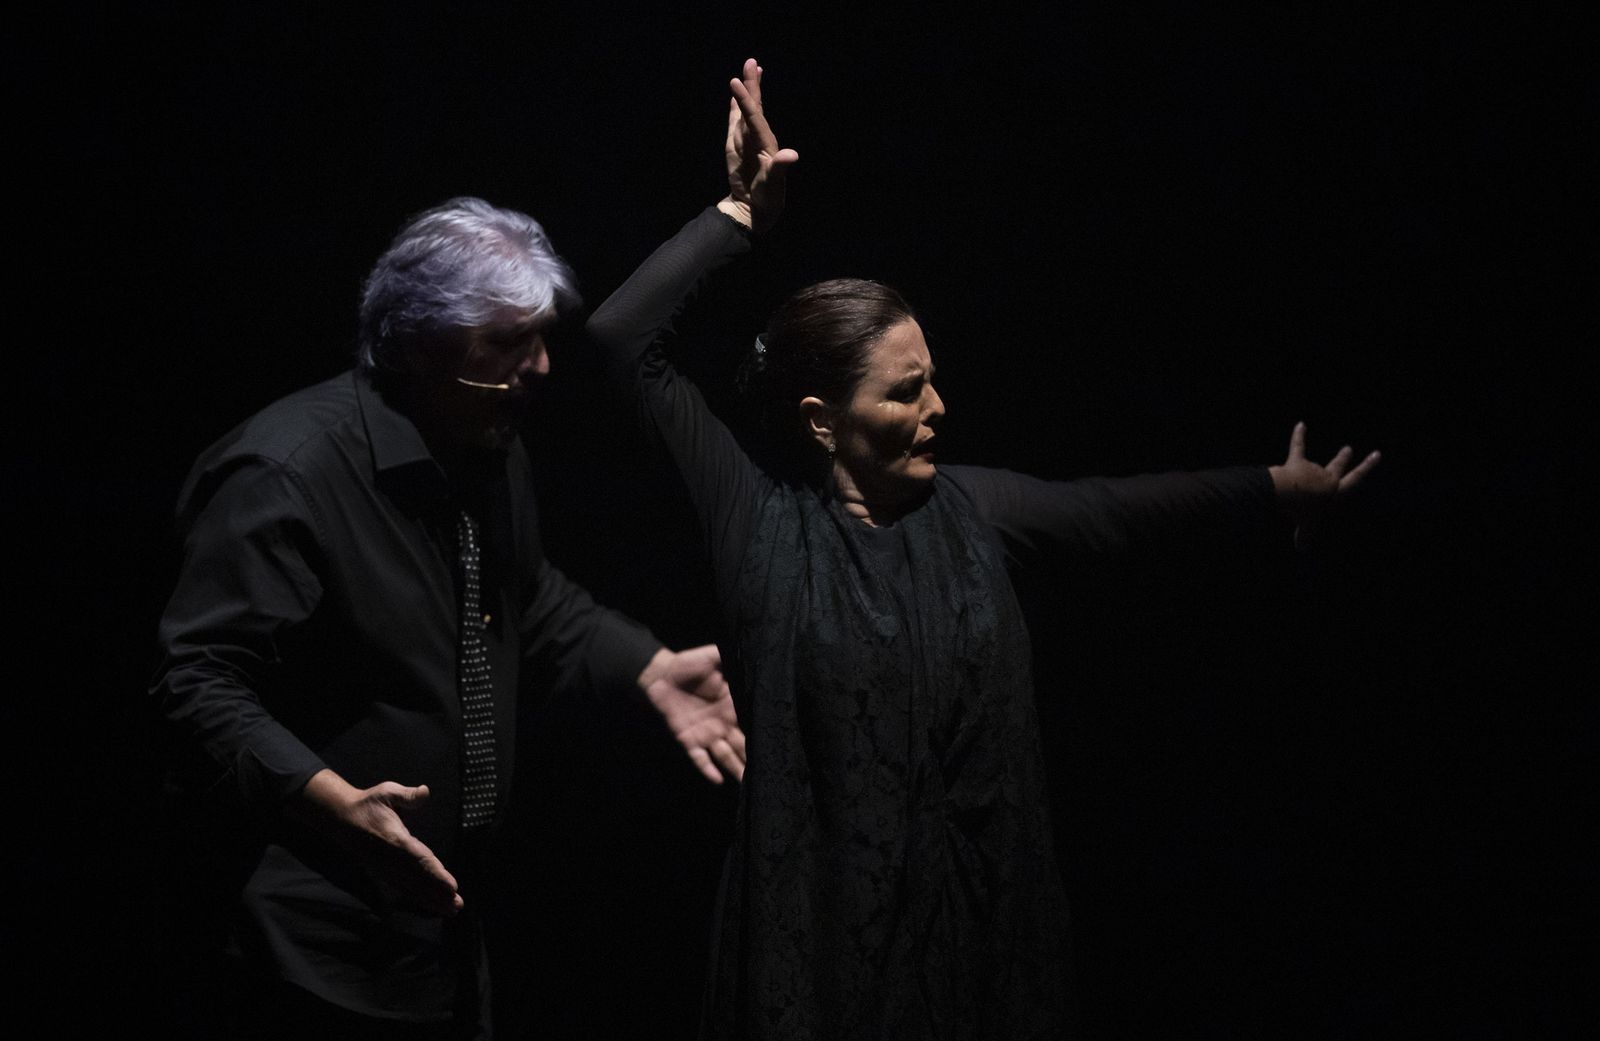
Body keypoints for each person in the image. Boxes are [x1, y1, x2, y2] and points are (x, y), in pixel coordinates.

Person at [586, 60, 1380, 1040]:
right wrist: (741, 211)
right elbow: (621, 338)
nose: (937, 410)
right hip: (819, 966)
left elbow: (1120, 510)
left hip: (976, 953)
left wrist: (1274, 489)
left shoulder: (975, 512)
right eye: (904, 392)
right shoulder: (762, 526)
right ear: (822, 421)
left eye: (933, 383)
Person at [150, 196, 746, 1039]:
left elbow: (521, 599)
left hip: (440, 937)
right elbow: (196, 681)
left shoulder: (486, 446)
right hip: (304, 947)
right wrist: (332, 802)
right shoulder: (287, 473)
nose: (539, 367)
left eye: (541, 336)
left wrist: (646, 665)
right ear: (417, 343)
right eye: (508, 342)